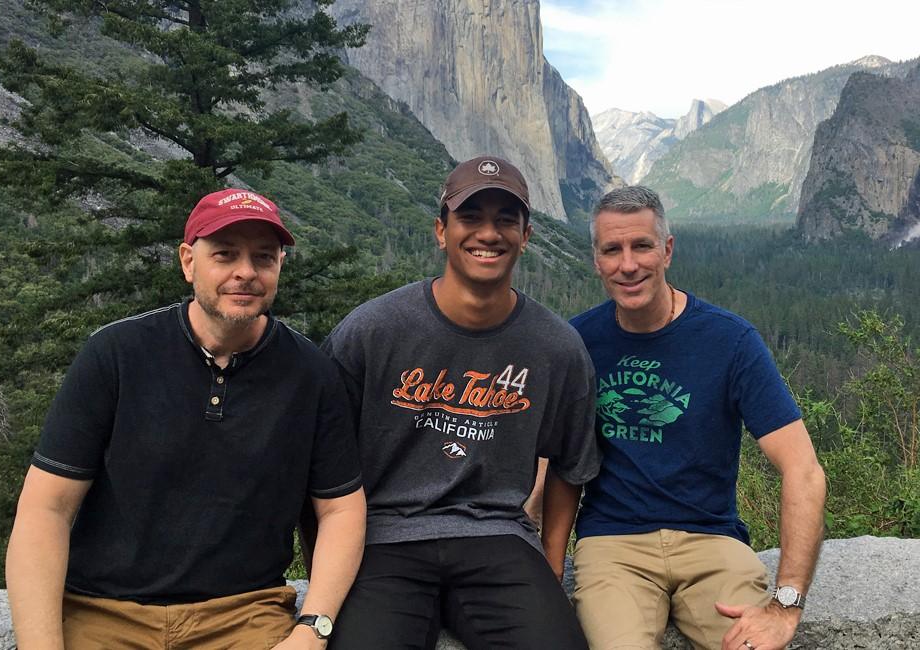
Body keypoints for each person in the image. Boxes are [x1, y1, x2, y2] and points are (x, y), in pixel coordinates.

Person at [6, 189, 366, 649]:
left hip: (244, 613)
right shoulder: (117, 355)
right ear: (188, 261)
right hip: (104, 610)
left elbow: (340, 509)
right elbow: (45, 509)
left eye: (263, 257)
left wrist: (313, 627)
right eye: (225, 255)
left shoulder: (311, 373)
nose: (246, 272)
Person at [321, 156, 600, 650]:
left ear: (526, 235)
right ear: (441, 231)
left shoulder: (557, 348)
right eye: (470, 217)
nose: (488, 233)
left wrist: (550, 566)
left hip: (499, 538)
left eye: (505, 220)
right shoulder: (370, 333)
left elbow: (570, 466)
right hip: (384, 540)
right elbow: (321, 466)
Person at [570, 185, 827, 650]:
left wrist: (785, 605)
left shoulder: (729, 341)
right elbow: (552, 465)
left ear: (667, 250)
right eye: (613, 249)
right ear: (597, 260)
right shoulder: (577, 342)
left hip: (712, 542)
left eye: (642, 245)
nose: (628, 264)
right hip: (613, 546)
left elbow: (803, 470)